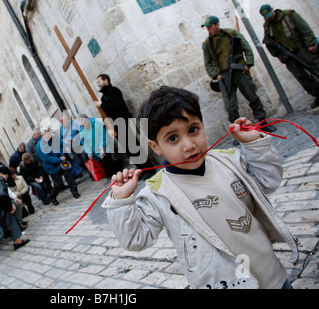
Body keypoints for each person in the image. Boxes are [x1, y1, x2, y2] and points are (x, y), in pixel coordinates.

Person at [102, 86, 299, 289]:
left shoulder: (229, 161)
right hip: (222, 284)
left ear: (202, 125)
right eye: (173, 138)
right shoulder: (158, 192)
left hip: (272, 276)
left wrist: (254, 145)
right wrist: (121, 201)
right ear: (156, 147)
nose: (189, 145)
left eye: (193, 130)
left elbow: (269, 180)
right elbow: (135, 239)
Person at [201, 15, 276, 143]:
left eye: (210, 26)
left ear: (217, 24)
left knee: (252, 96)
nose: (209, 29)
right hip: (225, 75)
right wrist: (215, 75)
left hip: (239, 70)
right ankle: (238, 133)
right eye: (207, 27)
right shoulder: (207, 43)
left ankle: (263, 123)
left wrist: (248, 64)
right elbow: (207, 63)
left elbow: (246, 48)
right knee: (230, 106)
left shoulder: (232, 34)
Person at [95, 74, 155, 179]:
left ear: (106, 81)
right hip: (115, 127)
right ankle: (141, 170)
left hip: (123, 122)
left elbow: (116, 107)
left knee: (134, 147)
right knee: (128, 151)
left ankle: (149, 169)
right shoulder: (103, 97)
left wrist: (102, 105)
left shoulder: (114, 91)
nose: (98, 84)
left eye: (99, 82)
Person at [259, 4, 319, 109]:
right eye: (266, 17)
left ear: (273, 10)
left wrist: (311, 44)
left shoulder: (289, 15)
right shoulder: (267, 27)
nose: (269, 18)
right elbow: (268, 43)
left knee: (316, 67)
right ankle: (317, 94)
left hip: (303, 49)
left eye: (269, 14)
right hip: (289, 57)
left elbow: (305, 29)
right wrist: (278, 55)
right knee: (301, 77)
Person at [37, 128, 81, 205]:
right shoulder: (40, 146)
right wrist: (59, 159)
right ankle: (52, 196)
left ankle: (75, 192)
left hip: (61, 161)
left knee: (70, 177)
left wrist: (62, 155)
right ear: (42, 135)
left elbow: (61, 146)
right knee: (58, 184)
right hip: (52, 167)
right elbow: (46, 158)